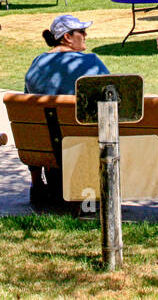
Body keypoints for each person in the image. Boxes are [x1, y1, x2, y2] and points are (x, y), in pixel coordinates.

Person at [23, 14, 109, 208]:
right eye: (82, 31)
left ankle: (39, 186)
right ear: (67, 37)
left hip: (51, 157)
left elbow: (30, 123)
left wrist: (36, 184)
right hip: (84, 154)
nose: (86, 34)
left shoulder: (36, 64)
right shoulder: (90, 63)